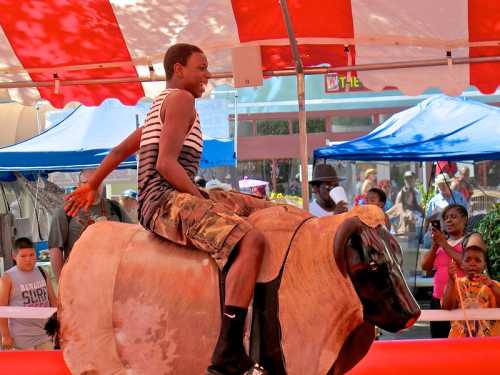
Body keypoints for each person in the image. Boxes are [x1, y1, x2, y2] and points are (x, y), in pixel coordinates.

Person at [64, 43, 272, 375]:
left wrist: (93, 184)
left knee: (263, 207)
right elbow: (166, 164)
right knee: (252, 241)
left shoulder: (158, 107)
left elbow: (119, 151)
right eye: (201, 68)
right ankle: (229, 349)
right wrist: (201, 198)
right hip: (165, 200)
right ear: (178, 69)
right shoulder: (180, 99)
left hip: (163, 197)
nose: (207, 75)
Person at [48, 169, 132, 280]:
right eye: (86, 183)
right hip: (80, 279)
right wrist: (61, 283)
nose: (92, 186)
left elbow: (131, 239)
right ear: (79, 185)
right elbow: (55, 249)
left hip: (113, 277)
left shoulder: (115, 207)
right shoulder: (66, 210)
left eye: (97, 182)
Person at [0, 238, 57, 350]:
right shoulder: (7, 278)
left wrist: (56, 326)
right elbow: (2, 308)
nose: (28, 259)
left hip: (45, 336)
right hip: (20, 340)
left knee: (45, 367)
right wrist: (5, 335)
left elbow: (53, 301)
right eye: (23, 256)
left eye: (31, 255)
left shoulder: (42, 272)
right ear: (14, 256)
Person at [421, 204, 468, 338]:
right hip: (437, 298)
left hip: (461, 299)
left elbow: (466, 263)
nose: (448, 220)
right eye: (446, 218)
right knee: (439, 340)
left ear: (464, 220)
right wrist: (435, 246)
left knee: (460, 340)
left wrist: (443, 244)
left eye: (453, 217)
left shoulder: (469, 240)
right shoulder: (441, 242)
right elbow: (425, 266)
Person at [442, 233, 500, 337]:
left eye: (477, 260)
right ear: (462, 264)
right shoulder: (456, 284)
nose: (472, 263)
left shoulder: (494, 285)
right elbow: (447, 307)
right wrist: (451, 279)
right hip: (459, 345)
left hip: (487, 346)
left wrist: (491, 285)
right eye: (468, 260)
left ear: (484, 265)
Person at [423, 173, 468, 247]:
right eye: (439, 184)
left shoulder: (459, 197)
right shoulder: (434, 201)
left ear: (449, 184)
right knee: (427, 240)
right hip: (441, 233)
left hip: (458, 232)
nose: (442, 187)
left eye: (444, 184)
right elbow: (428, 219)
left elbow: (466, 214)